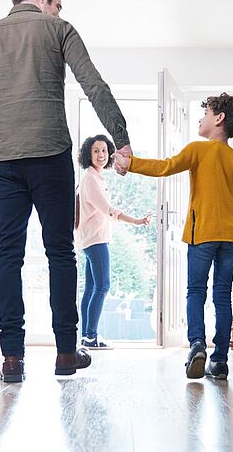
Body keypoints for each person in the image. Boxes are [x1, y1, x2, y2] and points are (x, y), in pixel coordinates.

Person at [0, 0, 132, 382]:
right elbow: (94, 86)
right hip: (51, 157)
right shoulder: (59, 30)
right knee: (60, 252)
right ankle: (66, 353)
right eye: (57, 3)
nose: (59, 11)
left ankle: (12, 358)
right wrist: (121, 140)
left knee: (7, 255)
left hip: (5, 162)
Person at [113, 93, 233, 380]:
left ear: (219, 118)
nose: (201, 118)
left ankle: (197, 345)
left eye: (206, 113)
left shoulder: (199, 150)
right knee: (223, 297)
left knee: (196, 291)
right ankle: (220, 361)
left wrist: (131, 163)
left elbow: (165, 167)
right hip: (230, 237)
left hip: (203, 234)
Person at [76, 135, 151, 349]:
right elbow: (108, 210)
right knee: (102, 286)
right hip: (95, 240)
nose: (101, 155)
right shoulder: (90, 179)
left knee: (92, 288)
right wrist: (136, 221)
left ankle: (87, 336)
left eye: (103, 150)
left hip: (91, 238)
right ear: (88, 155)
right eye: (96, 151)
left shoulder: (94, 177)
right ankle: (90, 336)